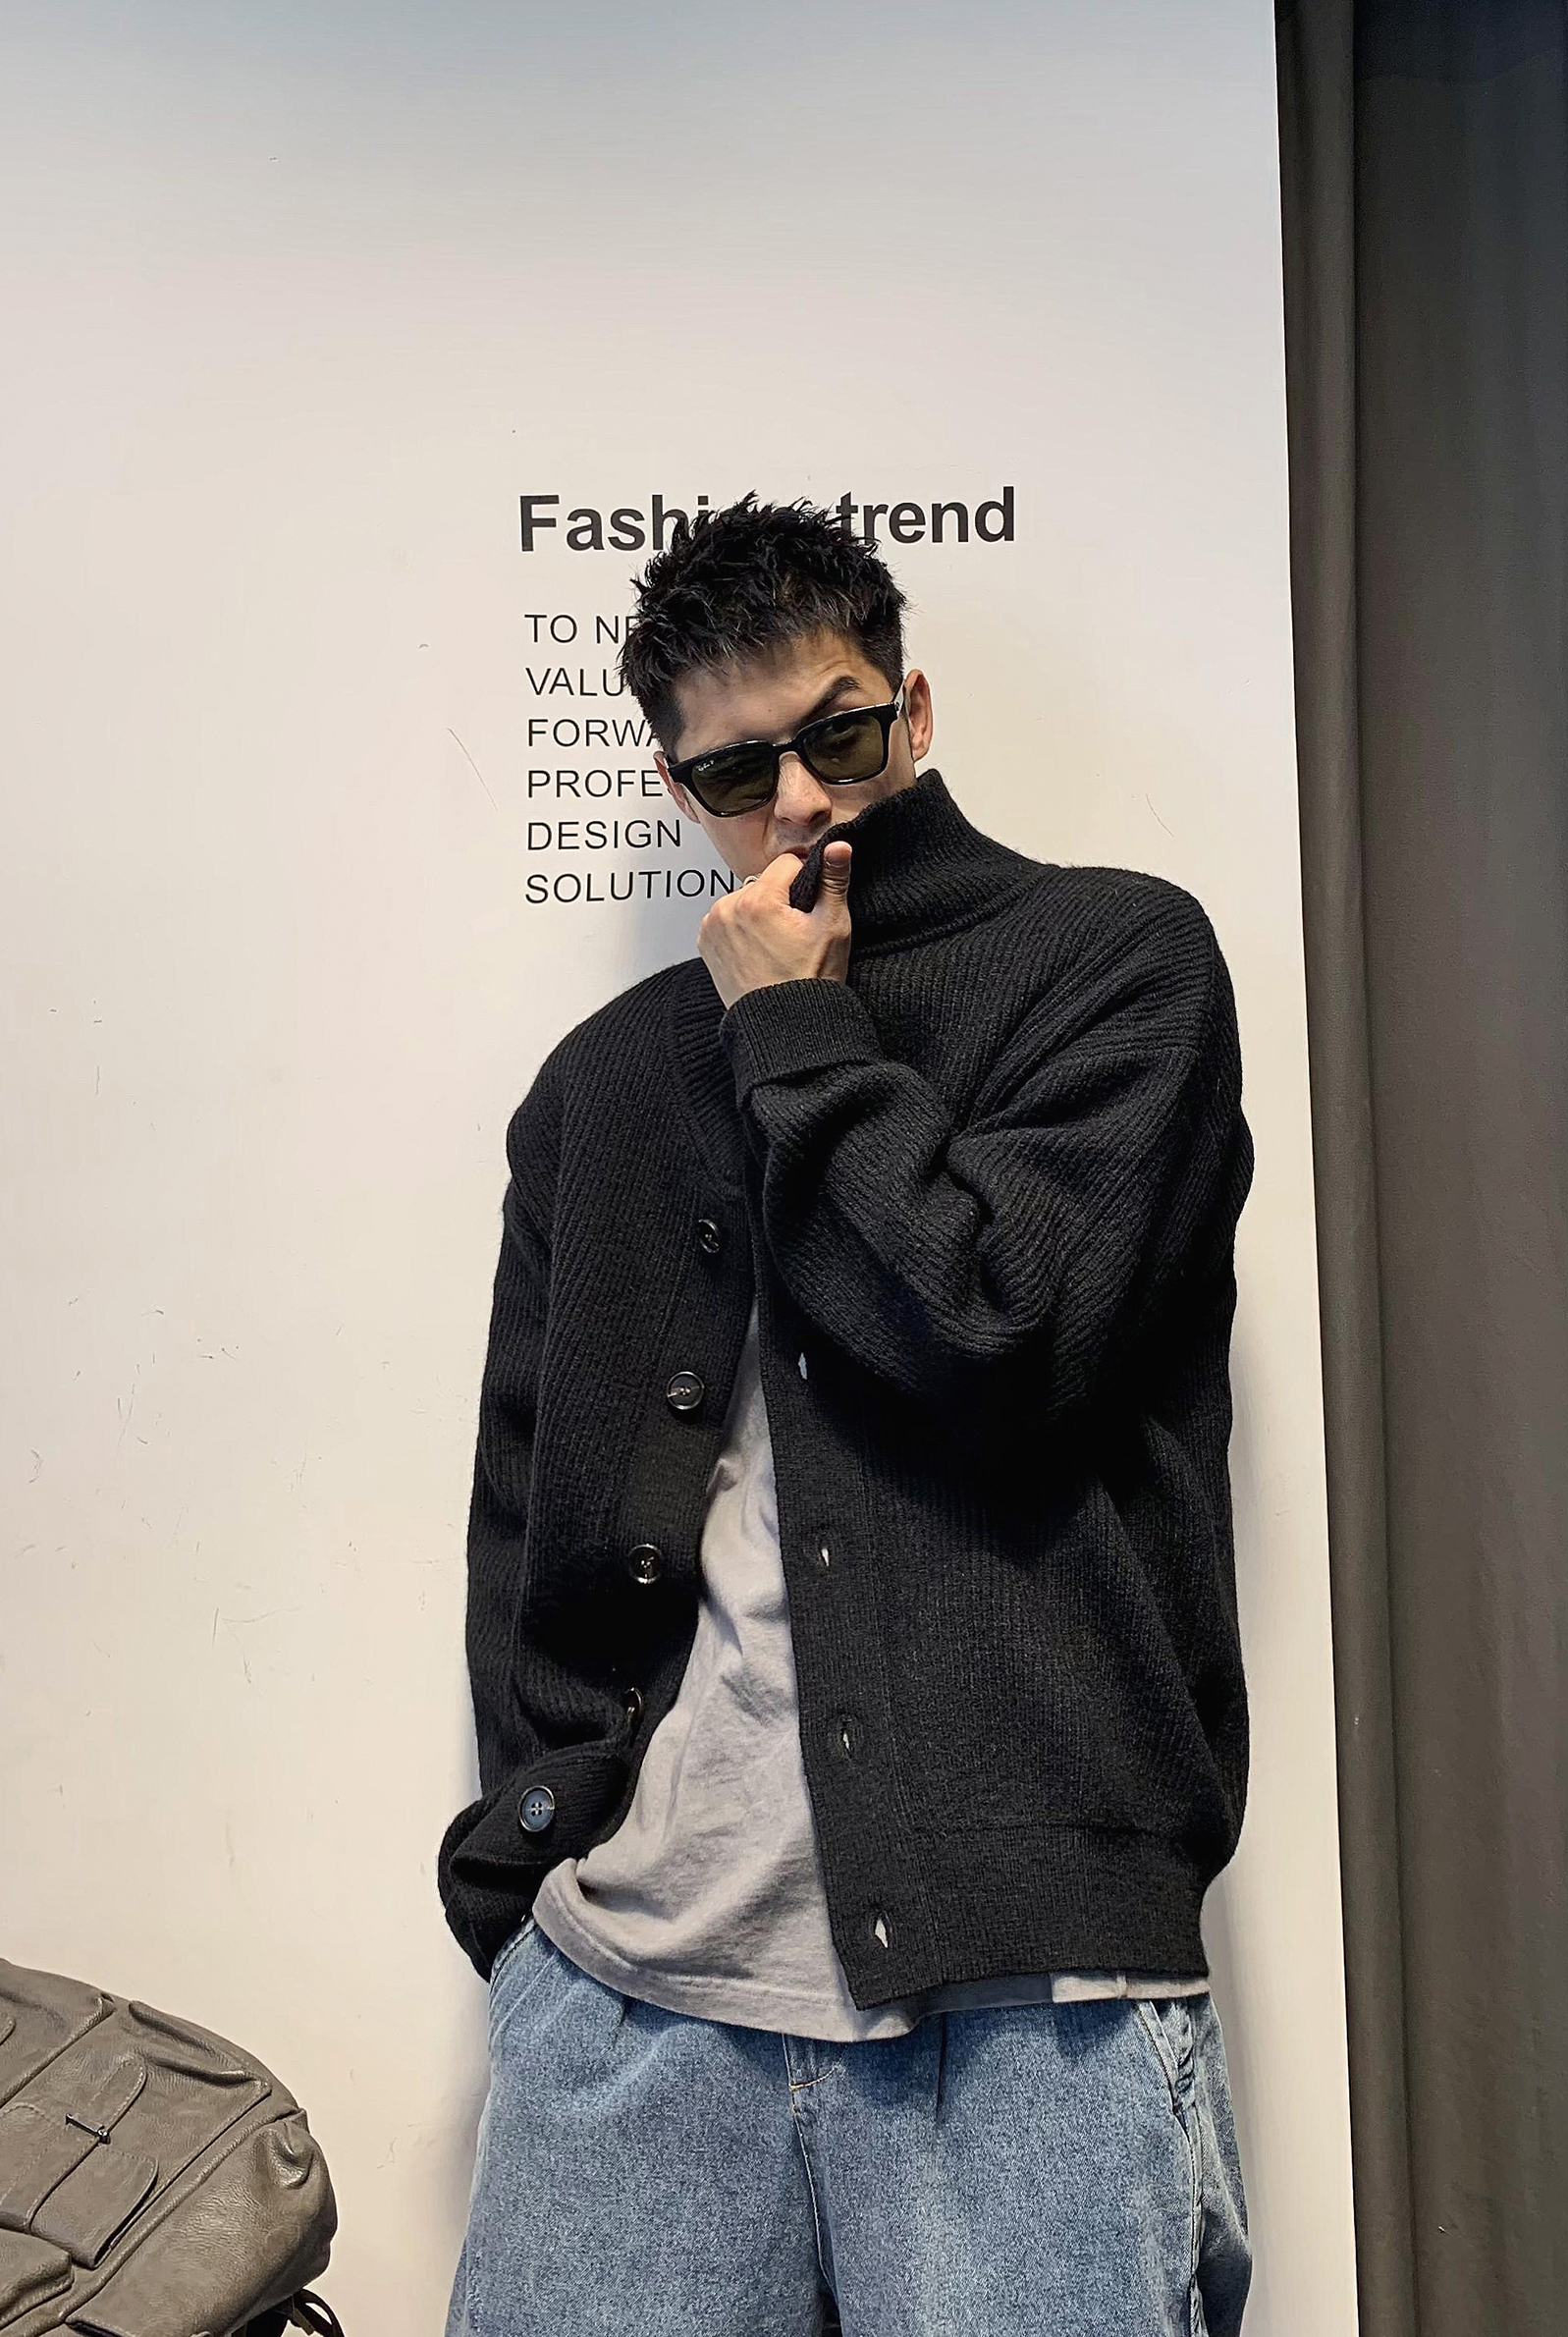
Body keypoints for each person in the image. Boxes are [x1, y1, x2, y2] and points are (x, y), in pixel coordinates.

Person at [439, 494, 1257, 2337]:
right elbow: (524, 1505)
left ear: (916, 708)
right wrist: (533, 1874)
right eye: (742, 773)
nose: (803, 803)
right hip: (637, 2001)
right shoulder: (602, 1088)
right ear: (680, 788)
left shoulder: (1118, 966)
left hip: (1035, 2012)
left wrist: (797, 1038)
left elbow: (999, 1339)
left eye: (842, 735)